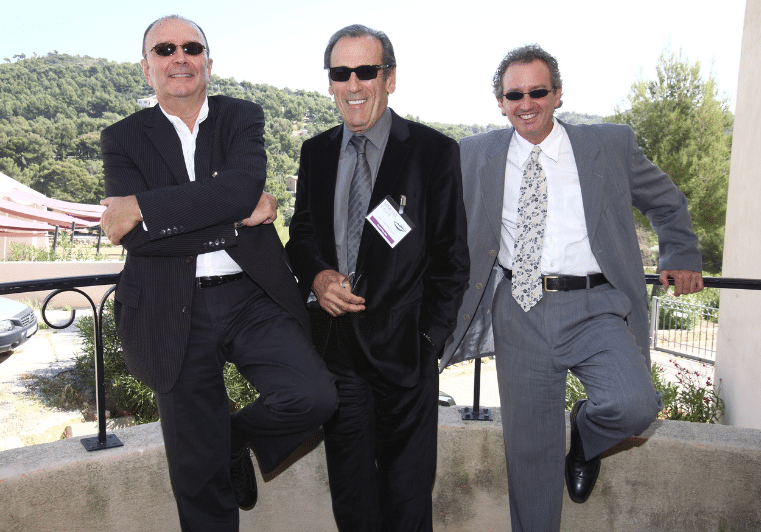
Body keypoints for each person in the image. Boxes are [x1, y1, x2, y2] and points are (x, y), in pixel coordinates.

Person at [440, 44, 704, 531]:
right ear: (500, 102)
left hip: (596, 306)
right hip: (518, 308)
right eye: (514, 95)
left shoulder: (610, 144)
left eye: (538, 92)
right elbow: (429, 213)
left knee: (633, 404)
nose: (526, 104)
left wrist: (682, 255)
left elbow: (666, 201)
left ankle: (585, 434)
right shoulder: (474, 153)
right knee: (530, 454)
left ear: (557, 94)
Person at [98, 15, 337, 532]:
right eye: (164, 49)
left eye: (191, 47)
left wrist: (144, 206)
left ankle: (232, 437)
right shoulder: (122, 137)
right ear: (146, 68)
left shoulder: (241, 117)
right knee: (197, 475)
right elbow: (137, 239)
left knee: (313, 396)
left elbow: (239, 189)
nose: (179, 57)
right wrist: (229, 218)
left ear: (209, 62)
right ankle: (211, 451)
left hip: (250, 296)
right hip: (169, 307)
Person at [285, 24, 469, 532]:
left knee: (407, 498)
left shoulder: (433, 151)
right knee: (352, 497)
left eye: (366, 71)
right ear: (329, 82)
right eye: (341, 73)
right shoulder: (316, 152)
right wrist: (318, 277)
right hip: (336, 353)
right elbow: (301, 235)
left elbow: (451, 258)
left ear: (390, 78)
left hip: (405, 355)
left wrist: (427, 341)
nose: (353, 84)